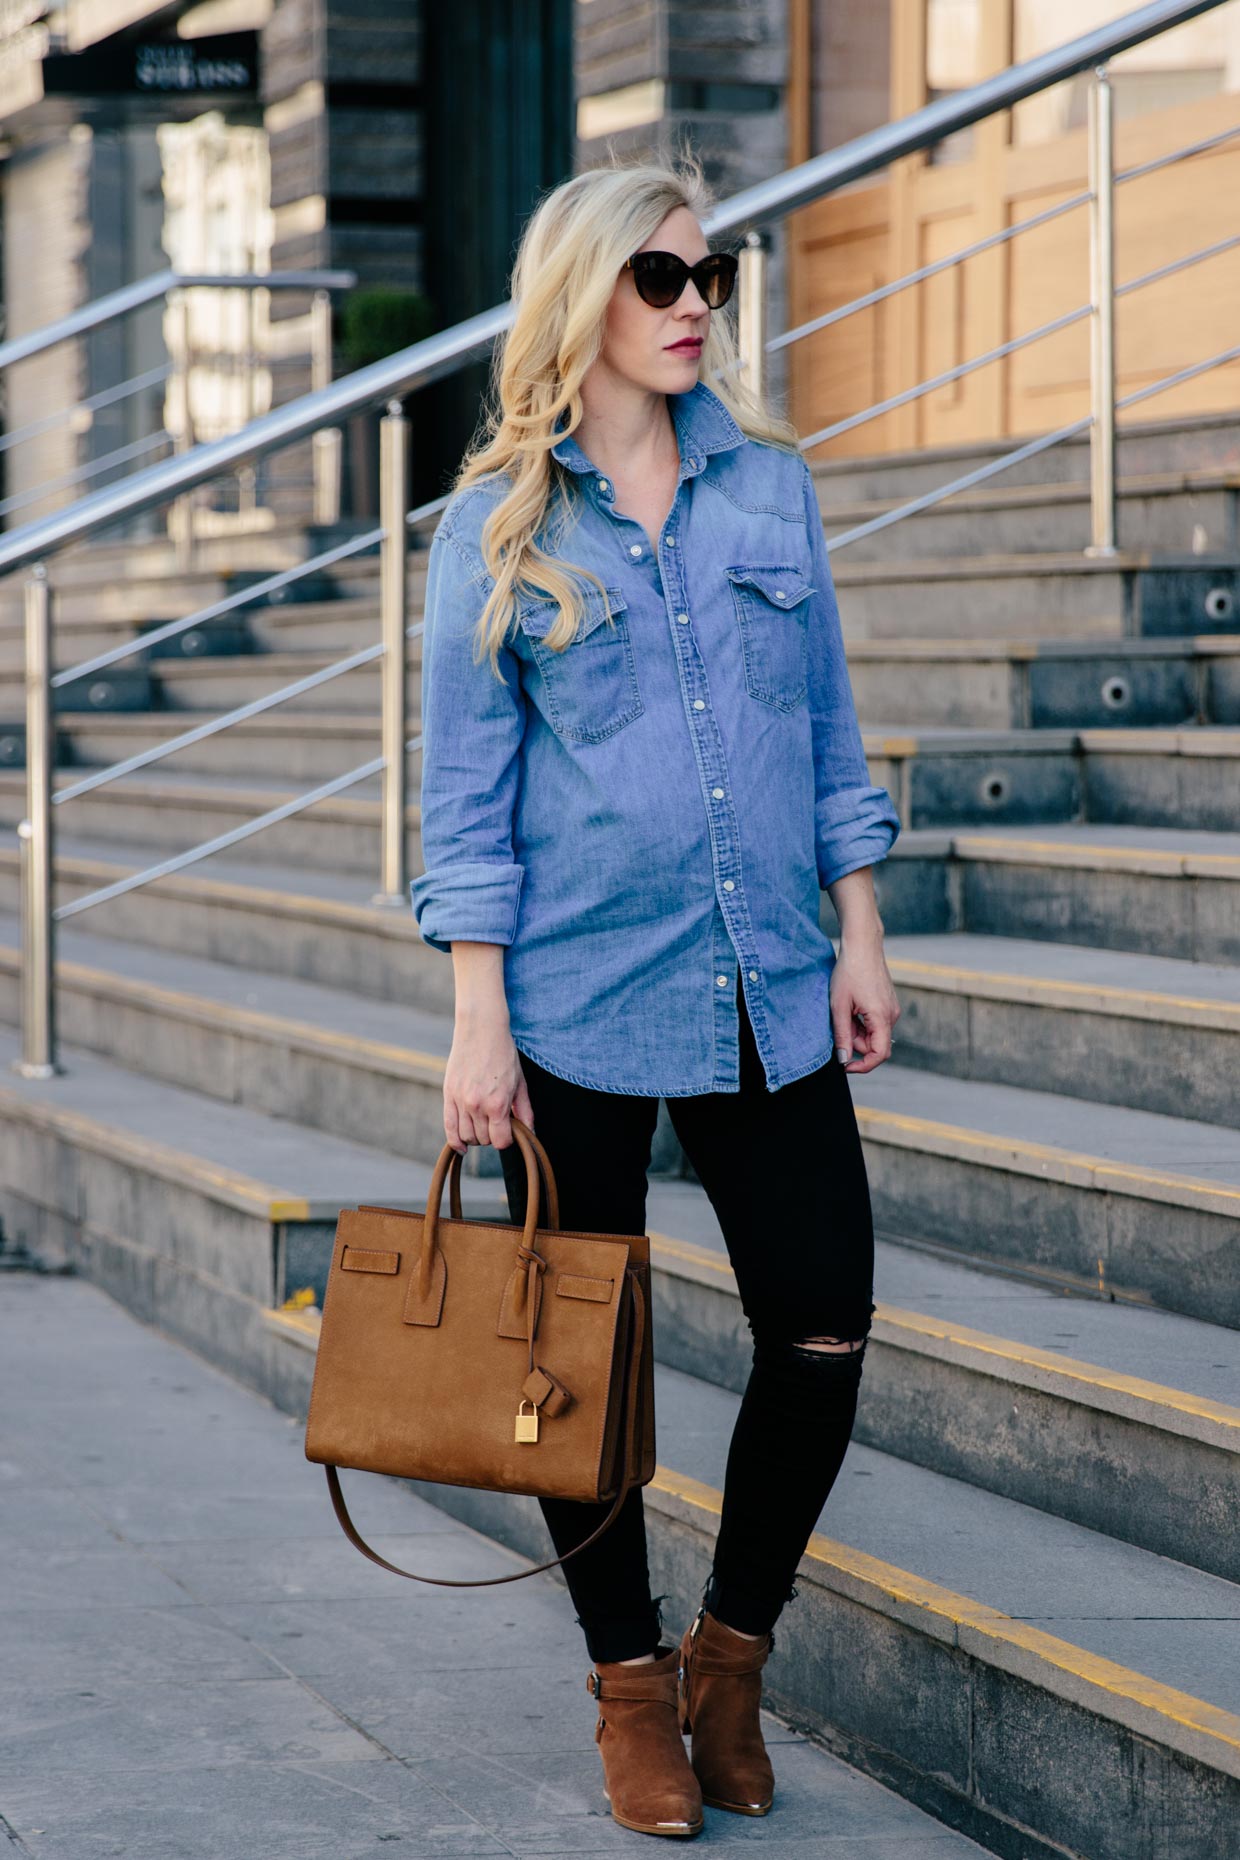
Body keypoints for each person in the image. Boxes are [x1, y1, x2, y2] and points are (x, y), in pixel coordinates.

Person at [410, 153, 901, 1840]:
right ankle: (629, 1692)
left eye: (714, 278)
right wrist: (479, 1022)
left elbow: (829, 726)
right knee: (575, 1368)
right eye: (663, 280)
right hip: (576, 1000)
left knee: (823, 1327)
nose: (698, 307)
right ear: (585, 299)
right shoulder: (493, 529)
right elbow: (466, 804)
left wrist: (861, 925)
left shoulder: (771, 491)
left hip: (771, 977)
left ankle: (729, 1663)